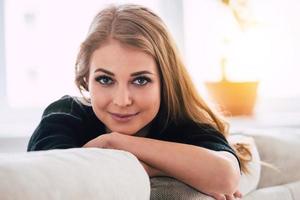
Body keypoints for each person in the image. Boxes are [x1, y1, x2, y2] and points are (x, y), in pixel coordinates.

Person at [28, 4, 251, 200]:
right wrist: (157, 166)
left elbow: (225, 177)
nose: (122, 100)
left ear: (166, 82)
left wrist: (114, 143)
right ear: (86, 79)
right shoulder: (65, 115)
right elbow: (54, 181)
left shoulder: (180, 122)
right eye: (105, 79)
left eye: (141, 80)